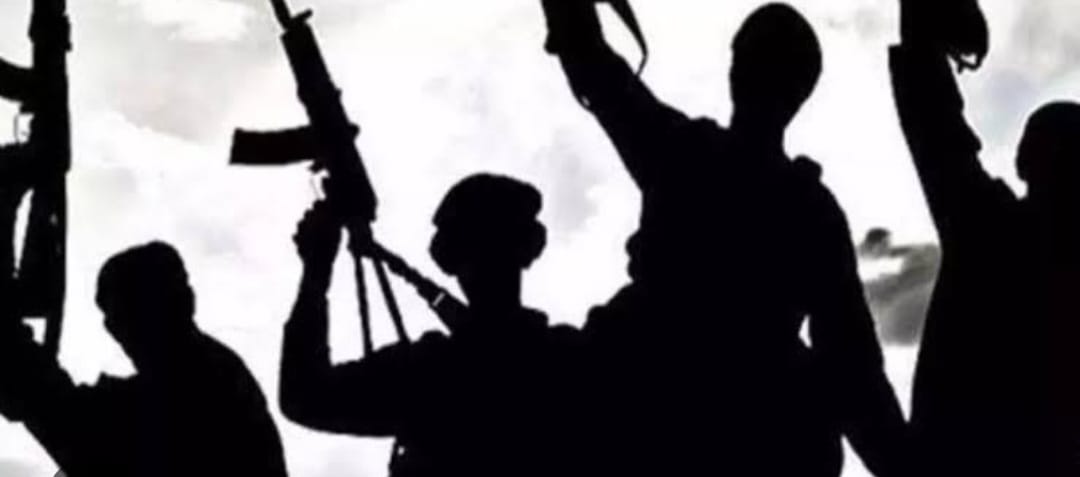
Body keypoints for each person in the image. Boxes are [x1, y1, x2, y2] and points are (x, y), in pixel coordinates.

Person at [541, 2, 908, 475]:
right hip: (702, 414)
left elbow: (851, 366)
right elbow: (853, 370)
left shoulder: (689, 152)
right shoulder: (804, 204)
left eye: (760, 60)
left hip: (668, 408)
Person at [279, 174, 584, 477]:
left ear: (452, 259)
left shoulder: (430, 372)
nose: (485, 260)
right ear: (525, 249)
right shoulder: (571, 356)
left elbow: (304, 396)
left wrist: (316, 271)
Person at [890, 1, 1078, 475]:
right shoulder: (990, 229)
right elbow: (939, 129)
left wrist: (924, 42)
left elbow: (937, 130)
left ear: (1023, 161)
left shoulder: (988, 230)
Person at [0, 242, 288, 477]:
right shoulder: (210, 372)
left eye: (123, 313)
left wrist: (16, 353)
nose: (115, 329)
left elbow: (80, 430)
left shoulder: (199, 383)